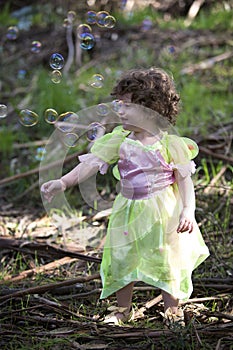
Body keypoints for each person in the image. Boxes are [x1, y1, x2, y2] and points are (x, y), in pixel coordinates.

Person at [41, 67, 209, 327]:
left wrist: (188, 211)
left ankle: (172, 309)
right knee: (122, 257)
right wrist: (63, 182)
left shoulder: (171, 145)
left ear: (150, 110)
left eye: (126, 105)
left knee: (167, 257)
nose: (119, 111)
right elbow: (89, 165)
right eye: (118, 103)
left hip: (163, 212)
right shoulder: (118, 140)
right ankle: (122, 309)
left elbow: (185, 181)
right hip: (127, 210)